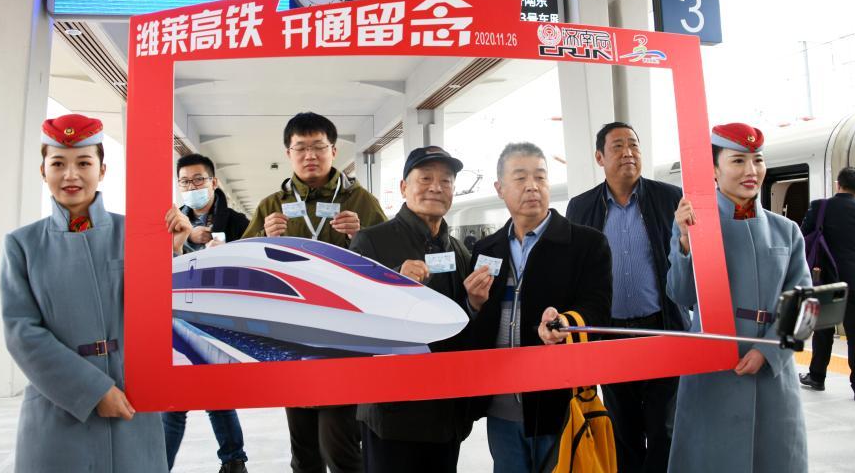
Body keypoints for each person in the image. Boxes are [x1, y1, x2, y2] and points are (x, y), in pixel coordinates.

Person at [0, 114, 169, 472]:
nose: (71, 175)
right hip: (59, 407)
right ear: (42, 171)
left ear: (103, 170)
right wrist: (92, 391)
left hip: (132, 402)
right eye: (58, 163)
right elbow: (21, 332)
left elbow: (169, 308)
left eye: (84, 162)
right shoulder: (22, 245)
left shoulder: (137, 234)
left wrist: (177, 251)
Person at [243, 112, 387, 473]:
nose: (310, 155)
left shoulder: (361, 202)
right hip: (291, 338)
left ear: (334, 151)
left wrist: (363, 237)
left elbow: (391, 263)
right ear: (288, 153)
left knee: (339, 446)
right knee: (303, 448)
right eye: (301, 148)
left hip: (347, 337)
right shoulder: (271, 205)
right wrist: (262, 239)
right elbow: (242, 266)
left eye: (318, 146)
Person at [667, 123, 810, 473]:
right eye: (738, 161)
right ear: (713, 169)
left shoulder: (786, 230)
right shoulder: (694, 223)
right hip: (715, 371)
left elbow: (805, 304)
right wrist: (684, 242)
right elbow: (681, 295)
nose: (751, 171)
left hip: (773, 374)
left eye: (757, 160)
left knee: (775, 460)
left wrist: (770, 350)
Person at [466, 142, 612, 473]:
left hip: (559, 401)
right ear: (499, 188)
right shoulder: (486, 249)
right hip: (501, 405)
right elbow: (477, 321)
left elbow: (598, 308)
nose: (533, 186)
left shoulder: (586, 244)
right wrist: (474, 304)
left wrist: (566, 323)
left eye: (540, 177)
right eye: (520, 178)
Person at [566, 122, 687, 472]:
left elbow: (686, 259)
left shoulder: (669, 198)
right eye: (617, 146)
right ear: (599, 157)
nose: (628, 153)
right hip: (611, 334)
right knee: (623, 429)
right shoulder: (581, 208)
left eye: (634, 145)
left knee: (665, 428)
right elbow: (577, 272)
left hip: (661, 330)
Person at [350, 146, 478, 473]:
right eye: (425, 178)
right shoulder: (371, 242)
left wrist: (476, 304)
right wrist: (391, 285)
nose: (436, 186)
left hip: (446, 411)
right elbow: (352, 320)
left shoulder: (460, 250)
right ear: (405, 187)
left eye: (446, 181)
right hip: (393, 414)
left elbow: (465, 325)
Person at [163, 153, 251, 472]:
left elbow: (252, 272)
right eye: (185, 181)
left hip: (220, 319)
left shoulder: (239, 222)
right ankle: (164, 463)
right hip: (180, 317)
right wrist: (184, 242)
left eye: (198, 180)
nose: (192, 186)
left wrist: (222, 254)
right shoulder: (173, 222)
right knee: (174, 402)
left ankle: (233, 460)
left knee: (216, 395)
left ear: (213, 182)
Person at [799, 166, 855, 401]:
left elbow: (804, 236)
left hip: (827, 278)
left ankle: (817, 377)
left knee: (823, 329)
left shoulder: (820, 207)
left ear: (838, 184)